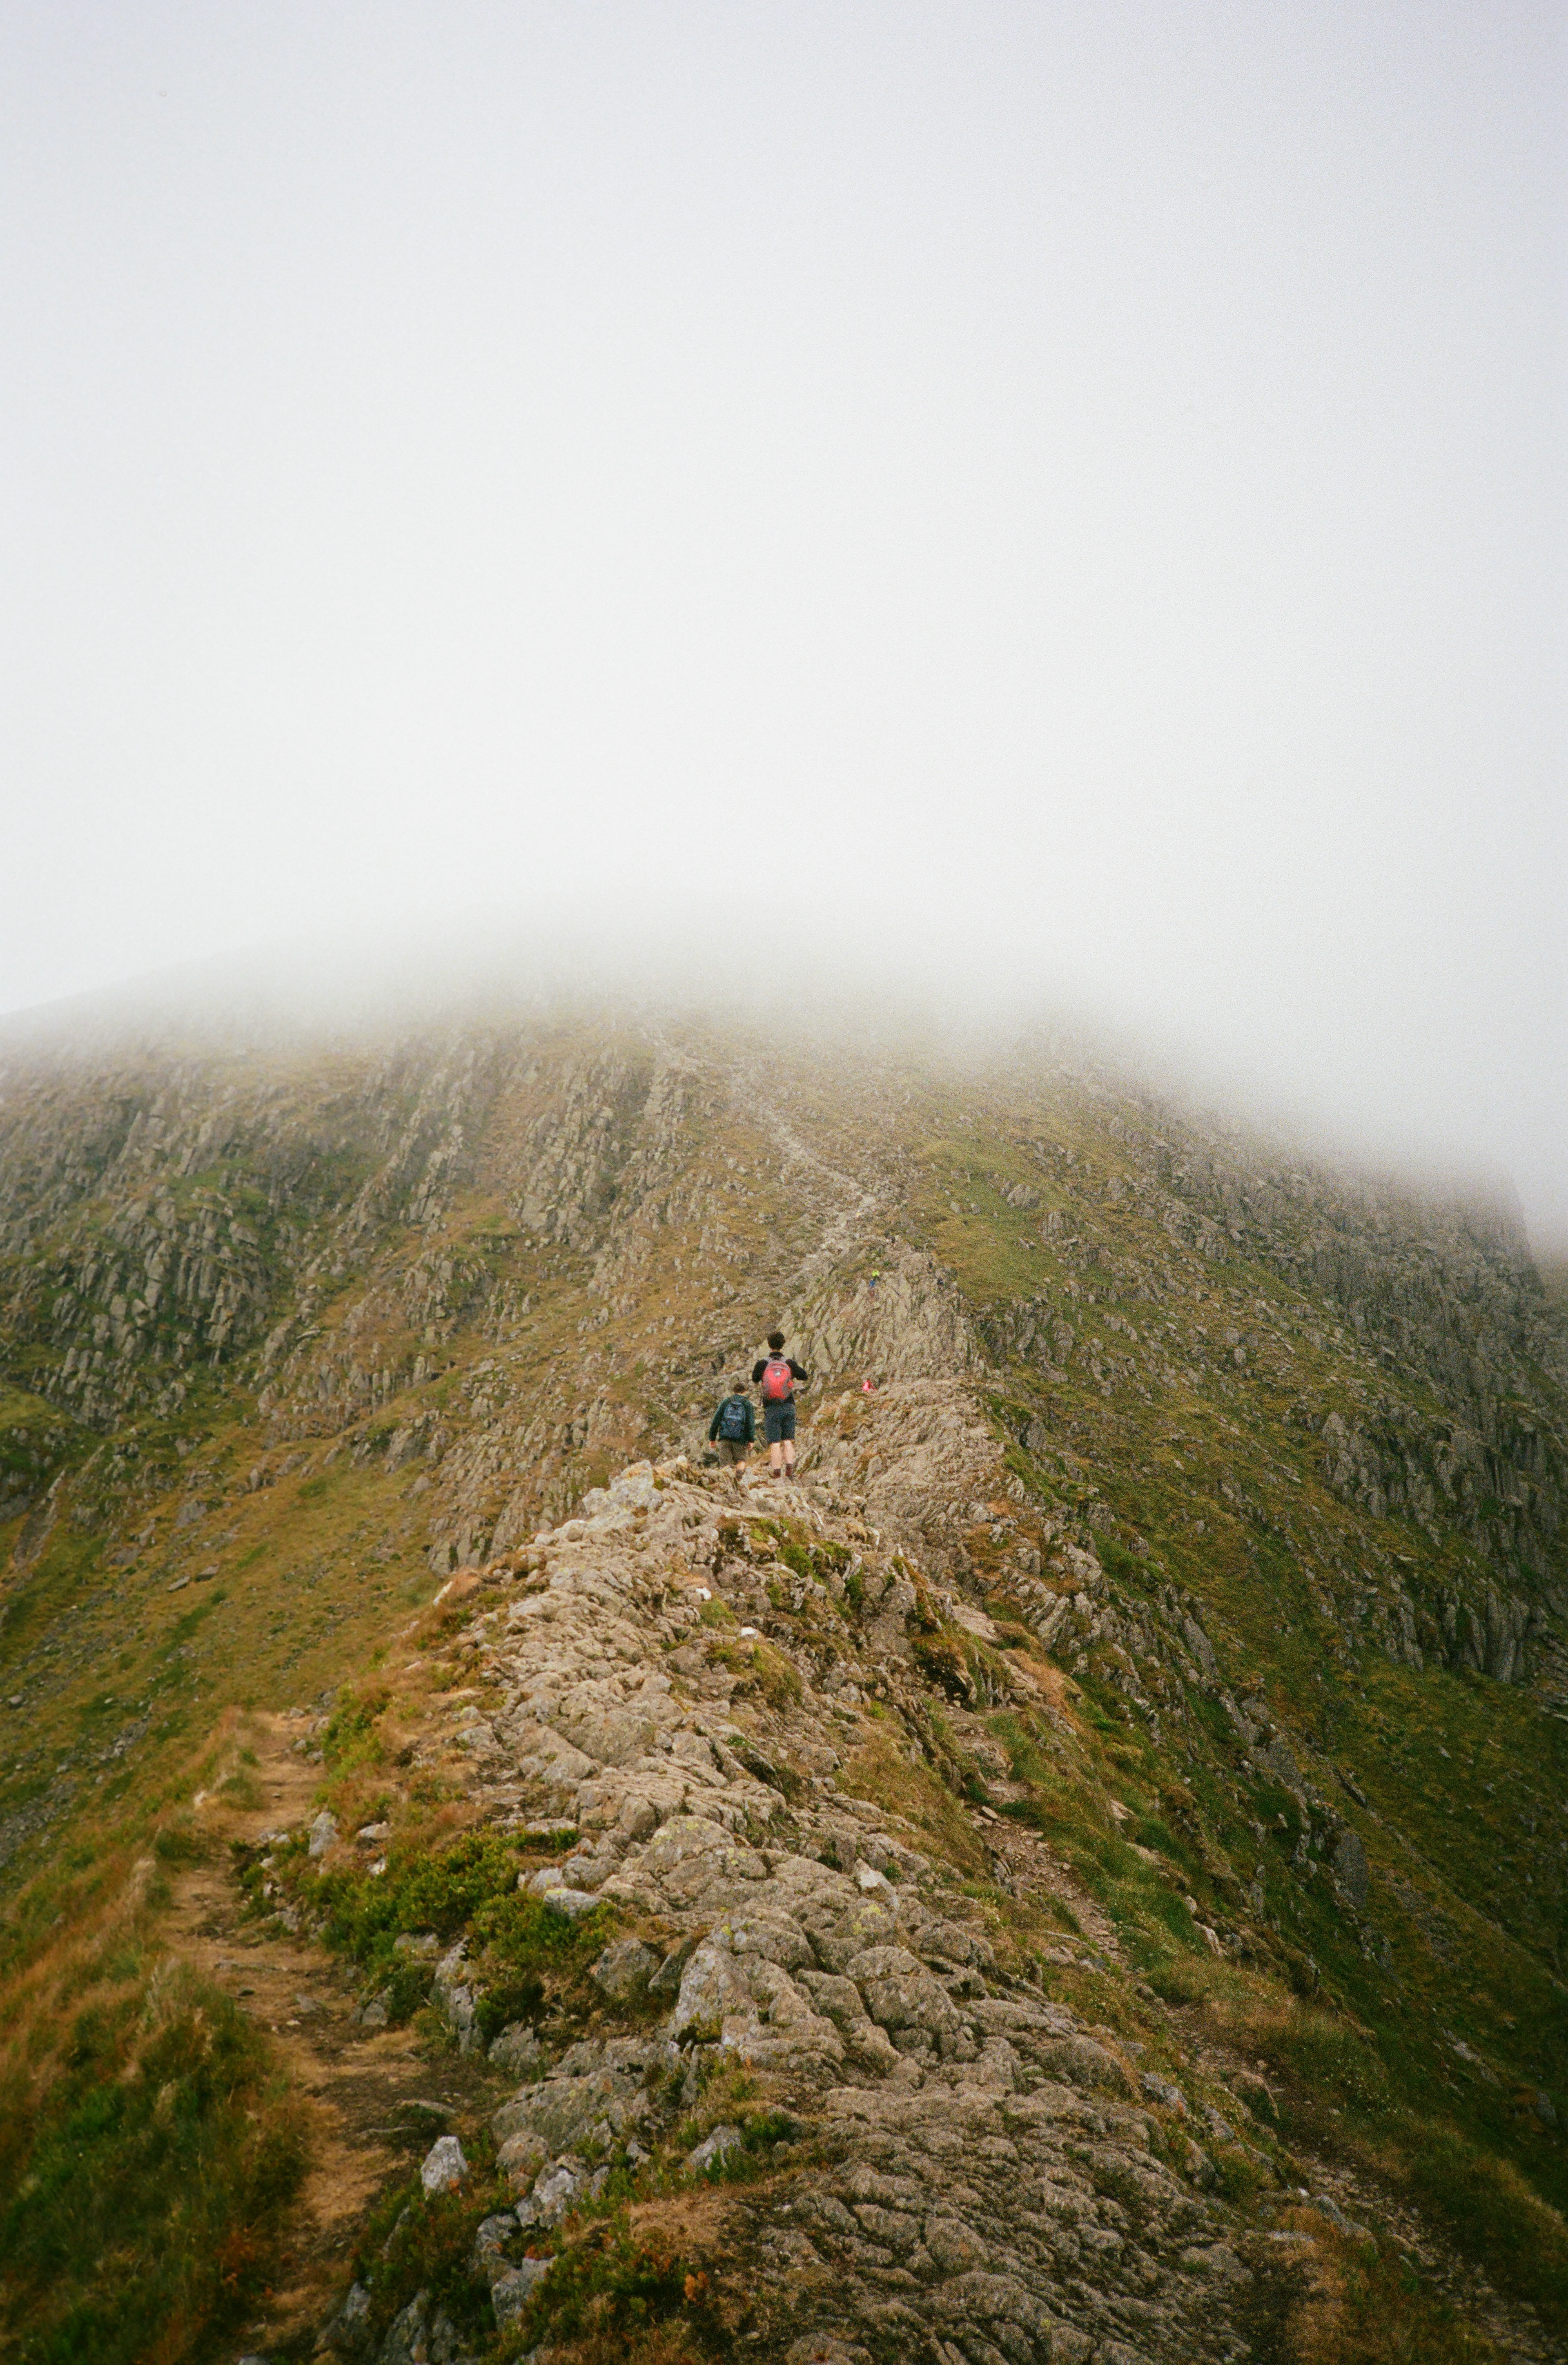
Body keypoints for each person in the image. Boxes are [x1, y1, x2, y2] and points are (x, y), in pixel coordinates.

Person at [752, 1330, 809, 1481]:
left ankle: (777, 1473)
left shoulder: (763, 1363)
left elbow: (754, 1378)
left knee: (775, 1443)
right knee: (788, 1440)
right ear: (783, 1344)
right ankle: (789, 1471)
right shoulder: (788, 1362)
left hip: (771, 1407)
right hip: (788, 1404)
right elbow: (804, 1375)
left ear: (769, 1345)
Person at [707, 1380, 755, 1486]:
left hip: (725, 1437)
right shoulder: (747, 1404)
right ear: (744, 1391)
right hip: (740, 1439)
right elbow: (750, 1423)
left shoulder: (726, 1402)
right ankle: (738, 1478)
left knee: (725, 1464)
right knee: (741, 1460)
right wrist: (751, 1440)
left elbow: (716, 1421)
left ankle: (728, 1486)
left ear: (734, 1391)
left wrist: (712, 1438)